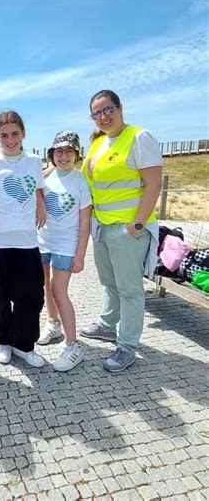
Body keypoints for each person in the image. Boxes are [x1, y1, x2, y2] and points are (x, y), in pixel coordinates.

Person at [80, 89, 162, 372]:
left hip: (127, 230)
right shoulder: (99, 143)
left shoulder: (139, 138)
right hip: (102, 228)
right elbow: (85, 179)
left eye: (107, 110)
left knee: (129, 290)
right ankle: (106, 325)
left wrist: (137, 225)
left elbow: (154, 184)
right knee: (109, 283)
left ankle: (127, 345)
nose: (103, 117)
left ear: (119, 108)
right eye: (97, 113)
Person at [0, 111, 47, 368]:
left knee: (31, 297)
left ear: (23, 133)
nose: (10, 139)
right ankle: (3, 341)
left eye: (15, 133)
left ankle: (24, 344)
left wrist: (41, 203)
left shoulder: (35, 161)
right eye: (4, 135)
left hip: (27, 241)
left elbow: (37, 186)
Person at [36, 131, 92, 371]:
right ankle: (53, 324)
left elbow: (85, 222)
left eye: (69, 151)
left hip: (66, 244)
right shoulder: (46, 176)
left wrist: (80, 254)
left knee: (60, 290)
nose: (64, 156)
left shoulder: (80, 180)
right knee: (46, 285)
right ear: (52, 154)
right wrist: (45, 172)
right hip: (43, 241)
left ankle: (73, 344)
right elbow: (36, 191)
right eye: (59, 151)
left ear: (76, 154)